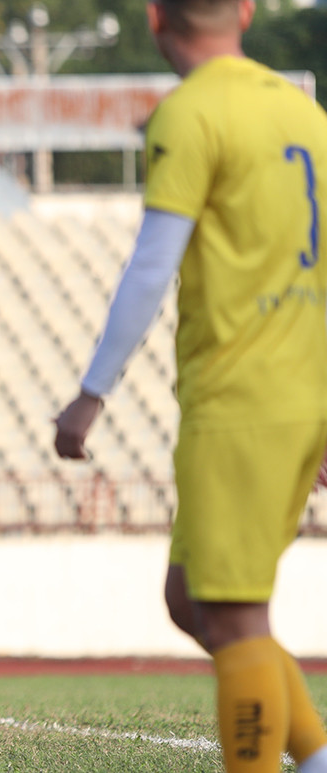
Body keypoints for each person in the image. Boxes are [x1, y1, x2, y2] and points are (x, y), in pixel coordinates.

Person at [54, 1, 327, 770]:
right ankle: (314, 756)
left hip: (243, 402)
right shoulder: (306, 114)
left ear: (153, 20)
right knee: (192, 599)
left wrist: (92, 390)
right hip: (297, 396)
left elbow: (152, 265)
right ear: (245, 13)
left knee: (237, 617)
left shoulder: (192, 113)